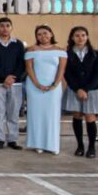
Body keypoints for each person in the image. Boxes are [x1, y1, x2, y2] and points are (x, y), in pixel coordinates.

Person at [64, 26, 98, 159]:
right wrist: (77, 89)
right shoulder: (67, 54)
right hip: (75, 90)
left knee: (90, 117)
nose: (80, 38)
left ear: (87, 37)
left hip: (92, 90)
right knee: (77, 116)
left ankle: (91, 147)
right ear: (72, 38)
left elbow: (97, 74)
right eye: (77, 35)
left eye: (83, 35)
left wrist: (86, 89)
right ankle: (80, 146)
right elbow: (67, 74)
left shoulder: (95, 54)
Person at [24, 26, 68, 154]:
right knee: (36, 114)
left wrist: (55, 84)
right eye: (39, 34)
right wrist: (37, 84)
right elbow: (29, 69)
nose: (43, 36)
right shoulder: (31, 49)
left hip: (53, 88)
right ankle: (37, 144)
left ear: (51, 34)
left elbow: (61, 69)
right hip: (34, 86)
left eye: (45, 33)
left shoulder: (60, 50)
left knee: (52, 115)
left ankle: (52, 145)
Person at [0, 17, 26, 150]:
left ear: (11, 28)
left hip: (15, 83)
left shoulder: (18, 44)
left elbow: (21, 63)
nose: (5, 28)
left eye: (8, 25)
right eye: (2, 26)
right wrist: (5, 77)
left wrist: (12, 77)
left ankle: (12, 139)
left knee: (13, 112)